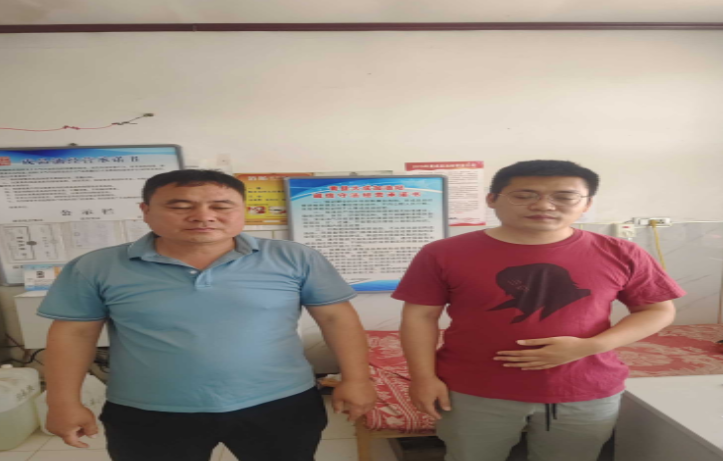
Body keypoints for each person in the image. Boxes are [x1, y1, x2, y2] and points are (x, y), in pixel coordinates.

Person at [38, 169, 376, 461]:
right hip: (149, 410)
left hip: (280, 402)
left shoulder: (294, 258)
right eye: (180, 206)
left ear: (243, 211)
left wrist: (357, 379)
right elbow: (74, 334)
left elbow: (337, 319)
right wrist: (62, 402)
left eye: (221, 206)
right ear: (145, 211)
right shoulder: (96, 267)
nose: (203, 216)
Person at [394, 160, 684, 461]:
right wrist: (423, 378)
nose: (544, 205)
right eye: (524, 195)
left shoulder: (622, 252)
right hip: (473, 389)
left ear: (586, 204)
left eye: (564, 196)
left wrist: (590, 346)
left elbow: (657, 311)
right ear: (492, 199)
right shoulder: (443, 253)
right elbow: (420, 316)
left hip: (583, 387)